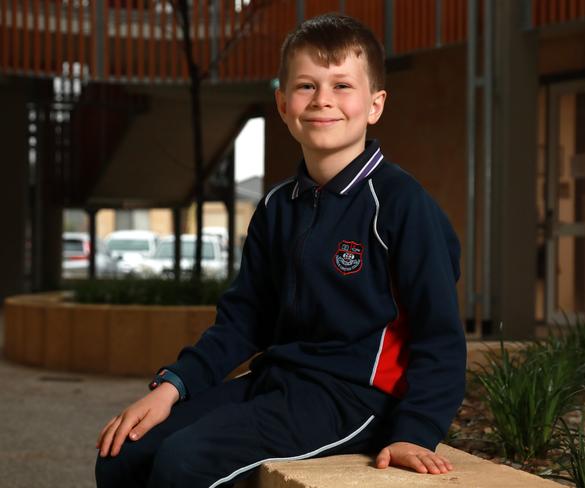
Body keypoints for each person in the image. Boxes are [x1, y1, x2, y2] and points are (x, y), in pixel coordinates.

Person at [95, 13, 466, 488]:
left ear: (375, 105)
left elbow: (441, 337)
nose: (323, 100)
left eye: (341, 86)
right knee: (122, 453)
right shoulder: (276, 205)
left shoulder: (401, 205)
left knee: (184, 464)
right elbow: (243, 318)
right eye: (306, 86)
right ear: (283, 104)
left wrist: (418, 430)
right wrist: (174, 386)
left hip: (352, 399)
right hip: (276, 380)